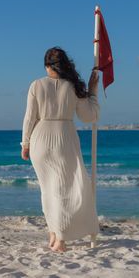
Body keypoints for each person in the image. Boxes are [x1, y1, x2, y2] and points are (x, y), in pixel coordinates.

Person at [21, 46, 100, 252]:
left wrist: (25, 143)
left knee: (48, 190)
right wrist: (92, 91)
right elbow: (89, 116)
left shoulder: (36, 85)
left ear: (47, 66)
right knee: (65, 190)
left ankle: (54, 235)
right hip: (64, 137)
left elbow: (29, 118)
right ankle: (60, 238)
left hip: (40, 139)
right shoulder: (74, 86)